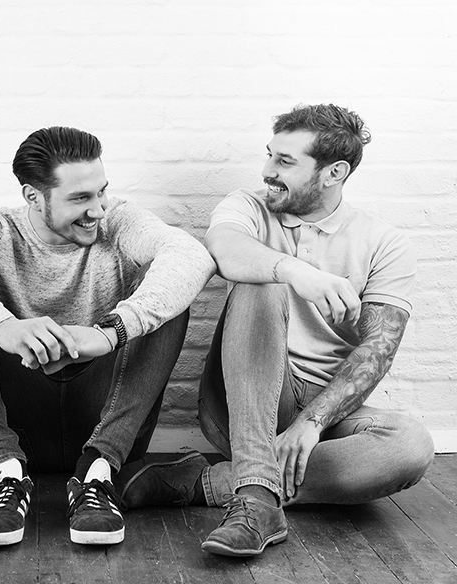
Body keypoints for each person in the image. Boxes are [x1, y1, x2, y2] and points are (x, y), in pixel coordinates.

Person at [117, 103, 434, 557]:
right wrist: (292, 271)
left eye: (285, 162)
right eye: (270, 155)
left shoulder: (384, 242)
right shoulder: (247, 205)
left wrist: (312, 422)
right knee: (260, 285)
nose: (268, 171)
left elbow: (377, 350)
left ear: (334, 172)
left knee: (410, 447)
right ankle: (255, 493)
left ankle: (217, 482)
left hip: (327, 413)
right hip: (243, 400)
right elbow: (225, 250)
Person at [0, 126, 215, 546]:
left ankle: (96, 477)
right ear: (33, 196)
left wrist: (109, 333)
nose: (98, 209)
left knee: (167, 294)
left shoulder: (119, 221)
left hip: (108, 422)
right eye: (80, 198)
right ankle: (4, 472)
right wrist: (3, 325)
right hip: (18, 424)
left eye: (101, 192)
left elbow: (191, 256)